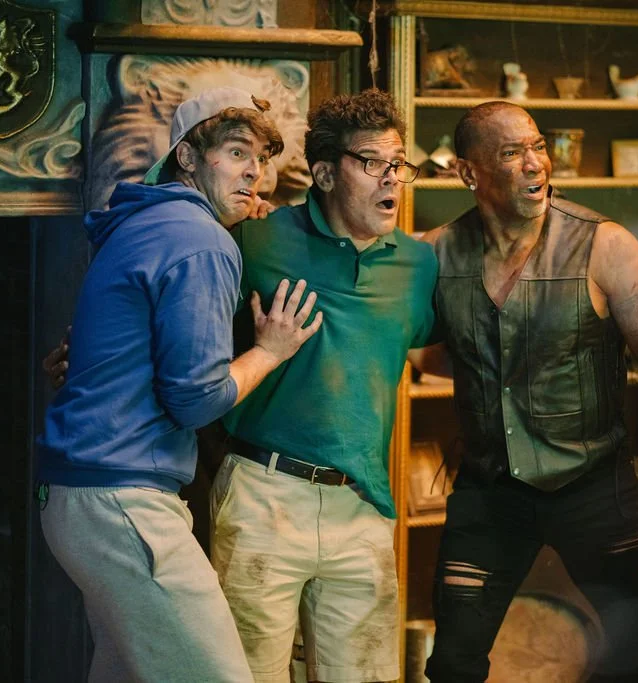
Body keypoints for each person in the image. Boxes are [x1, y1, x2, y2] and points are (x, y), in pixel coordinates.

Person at [36, 86, 322, 683]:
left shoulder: (144, 221)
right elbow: (195, 399)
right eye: (237, 152)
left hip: (77, 497)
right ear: (187, 157)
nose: (254, 172)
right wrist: (269, 351)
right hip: (123, 499)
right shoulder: (199, 239)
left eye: (261, 159)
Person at [408, 101, 638, 682]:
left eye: (537, 146)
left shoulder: (605, 246)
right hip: (489, 494)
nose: (535, 163)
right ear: (468, 173)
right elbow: (430, 351)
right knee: (453, 663)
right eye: (511, 153)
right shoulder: (435, 252)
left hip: (595, 489)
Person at [209, 88, 437, 683]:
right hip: (263, 493)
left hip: (362, 503)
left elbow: (443, 347)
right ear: (326, 174)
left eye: (398, 164)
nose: (391, 179)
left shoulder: (419, 265)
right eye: (372, 163)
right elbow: (176, 302)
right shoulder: (255, 236)